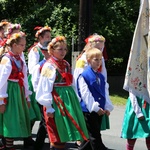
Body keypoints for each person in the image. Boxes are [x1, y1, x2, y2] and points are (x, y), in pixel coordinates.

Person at [36, 35, 89, 150]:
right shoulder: (49, 66)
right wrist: (48, 106)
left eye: (65, 49)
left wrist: (76, 99)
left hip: (68, 100)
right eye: (60, 49)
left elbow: (72, 83)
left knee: (64, 131)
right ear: (52, 50)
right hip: (56, 100)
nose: (63, 52)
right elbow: (45, 86)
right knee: (57, 131)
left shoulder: (66, 64)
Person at [0, 32, 31, 150]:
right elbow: (1, 81)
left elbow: (24, 78)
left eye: (24, 45)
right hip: (9, 90)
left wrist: (27, 96)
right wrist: (1, 100)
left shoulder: (20, 59)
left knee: (14, 117)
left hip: (18, 90)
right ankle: (8, 145)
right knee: (9, 117)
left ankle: (8, 144)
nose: (24, 48)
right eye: (22, 45)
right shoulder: (7, 59)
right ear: (14, 45)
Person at [76, 48, 112, 150]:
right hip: (89, 110)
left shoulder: (100, 76)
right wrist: (95, 107)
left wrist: (107, 107)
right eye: (96, 59)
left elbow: (105, 92)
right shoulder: (84, 75)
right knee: (95, 136)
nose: (99, 62)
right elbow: (85, 94)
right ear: (88, 60)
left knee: (91, 135)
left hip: (99, 109)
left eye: (100, 60)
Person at [31, 43, 50, 150]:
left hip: (53, 97)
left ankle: (39, 144)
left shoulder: (53, 64)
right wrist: (41, 97)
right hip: (42, 98)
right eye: (46, 51)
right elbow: (36, 84)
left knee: (45, 122)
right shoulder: (39, 66)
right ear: (43, 52)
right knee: (45, 121)